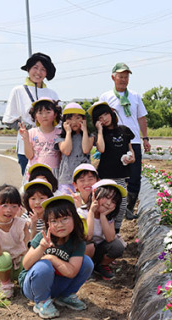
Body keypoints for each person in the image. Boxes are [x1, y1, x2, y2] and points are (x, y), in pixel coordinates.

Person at [19, 195, 93, 319]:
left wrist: (51, 258)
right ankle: (41, 302)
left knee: (87, 263)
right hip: (33, 287)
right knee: (43, 267)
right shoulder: (42, 238)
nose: (59, 225)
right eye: (54, 221)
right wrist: (41, 248)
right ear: (48, 223)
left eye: (64, 219)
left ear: (74, 219)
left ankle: (66, 296)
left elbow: (72, 272)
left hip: (56, 283)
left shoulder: (77, 242)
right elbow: (26, 265)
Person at [99, 62, 151, 219]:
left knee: (134, 175)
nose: (123, 79)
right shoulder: (105, 97)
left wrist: (145, 138)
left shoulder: (135, 96)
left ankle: (128, 207)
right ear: (113, 77)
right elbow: (99, 118)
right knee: (114, 176)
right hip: (113, 143)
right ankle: (112, 208)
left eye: (126, 77)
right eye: (120, 76)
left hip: (132, 141)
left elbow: (141, 117)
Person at [3, 53, 59, 175]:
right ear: (28, 69)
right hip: (26, 147)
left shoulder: (52, 94)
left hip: (50, 148)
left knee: (52, 181)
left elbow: (58, 121)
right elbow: (9, 119)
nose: (38, 72)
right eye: (35, 67)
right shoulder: (18, 91)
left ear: (47, 73)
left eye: (43, 69)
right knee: (30, 183)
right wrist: (32, 131)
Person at [88, 101, 135, 228]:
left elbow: (131, 151)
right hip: (105, 176)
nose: (104, 119)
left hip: (120, 175)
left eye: (105, 115)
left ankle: (116, 230)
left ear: (111, 113)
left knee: (122, 203)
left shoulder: (124, 131)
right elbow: (101, 149)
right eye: (100, 118)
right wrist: (99, 130)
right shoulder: (100, 134)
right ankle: (104, 229)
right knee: (105, 204)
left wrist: (131, 158)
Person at [79, 179, 127, 280]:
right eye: (106, 197)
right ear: (94, 195)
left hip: (99, 250)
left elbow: (110, 239)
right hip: (81, 251)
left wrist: (103, 216)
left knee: (117, 246)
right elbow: (88, 236)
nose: (109, 203)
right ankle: (86, 268)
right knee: (89, 245)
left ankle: (100, 265)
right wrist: (92, 212)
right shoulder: (82, 213)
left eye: (114, 201)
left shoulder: (109, 217)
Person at [19, 97, 62, 181]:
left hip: (53, 173)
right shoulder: (31, 133)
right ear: (35, 115)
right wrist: (26, 139)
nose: (44, 116)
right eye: (40, 113)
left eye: (48, 112)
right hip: (35, 172)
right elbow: (29, 156)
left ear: (55, 114)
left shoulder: (60, 133)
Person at [56, 103, 94, 194]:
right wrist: (68, 132)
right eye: (70, 118)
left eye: (78, 118)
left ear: (83, 119)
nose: (74, 122)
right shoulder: (61, 138)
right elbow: (67, 151)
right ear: (64, 121)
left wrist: (84, 130)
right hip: (67, 178)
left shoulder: (90, 136)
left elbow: (86, 149)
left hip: (84, 179)